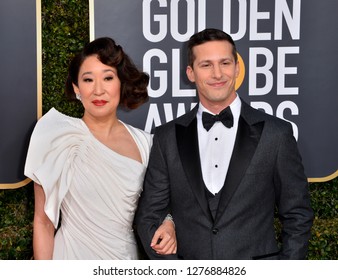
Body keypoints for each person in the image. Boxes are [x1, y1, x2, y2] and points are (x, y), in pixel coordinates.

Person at [134, 28, 313, 260]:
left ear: (237, 68)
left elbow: (297, 214)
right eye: (206, 65)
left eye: (225, 63)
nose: (217, 74)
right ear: (191, 73)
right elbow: (149, 215)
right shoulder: (167, 137)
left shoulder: (276, 133)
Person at [24, 37, 176, 260]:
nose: (98, 90)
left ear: (121, 83)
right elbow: (43, 222)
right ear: (76, 87)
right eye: (88, 80)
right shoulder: (55, 136)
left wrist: (169, 224)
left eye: (107, 78)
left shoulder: (146, 143)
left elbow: (162, 206)